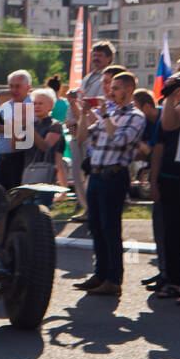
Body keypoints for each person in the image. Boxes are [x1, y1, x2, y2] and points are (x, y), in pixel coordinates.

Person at [71, 70, 146, 297]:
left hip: (115, 176)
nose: (110, 92)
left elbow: (121, 139)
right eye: (111, 88)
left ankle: (114, 279)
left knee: (110, 228)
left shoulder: (135, 116)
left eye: (115, 88)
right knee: (95, 226)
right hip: (96, 174)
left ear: (128, 90)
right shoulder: (110, 113)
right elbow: (83, 137)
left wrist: (104, 115)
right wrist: (84, 114)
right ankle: (100, 274)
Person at [65, 41, 116, 220]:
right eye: (94, 55)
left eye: (100, 55)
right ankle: (86, 208)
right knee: (78, 172)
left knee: (89, 173)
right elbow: (77, 104)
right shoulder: (87, 78)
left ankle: (92, 209)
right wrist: (70, 121)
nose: (95, 58)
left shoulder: (108, 80)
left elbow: (94, 111)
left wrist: (79, 119)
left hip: (92, 132)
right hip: (78, 129)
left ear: (109, 58)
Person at [151, 73, 180, 300]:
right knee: (172, 231)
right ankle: (173, 280)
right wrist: (153, 181)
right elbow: (166, 130)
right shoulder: (171, 107)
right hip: (171, 177)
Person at [19, 88, 66, 206]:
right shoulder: (32, 124)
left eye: (40, 103)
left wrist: (29, 129)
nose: (37, 106)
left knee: (40, 213)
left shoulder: (55, 125)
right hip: (29, 174)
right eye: (34, 104)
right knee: (27, 212)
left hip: (45, 178)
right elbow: (17, 146)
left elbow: (45, 147)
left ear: (50, 106)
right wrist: (17, 126)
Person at [0, 70, 34, 190]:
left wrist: (6, 127)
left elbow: (26, 129)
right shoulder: (5, 106)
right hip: (3, 158)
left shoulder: (33, 105)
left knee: (16, 197)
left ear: (28, 87)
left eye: (18, 86)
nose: (13, 90)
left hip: (20, 158)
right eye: (11, 86)